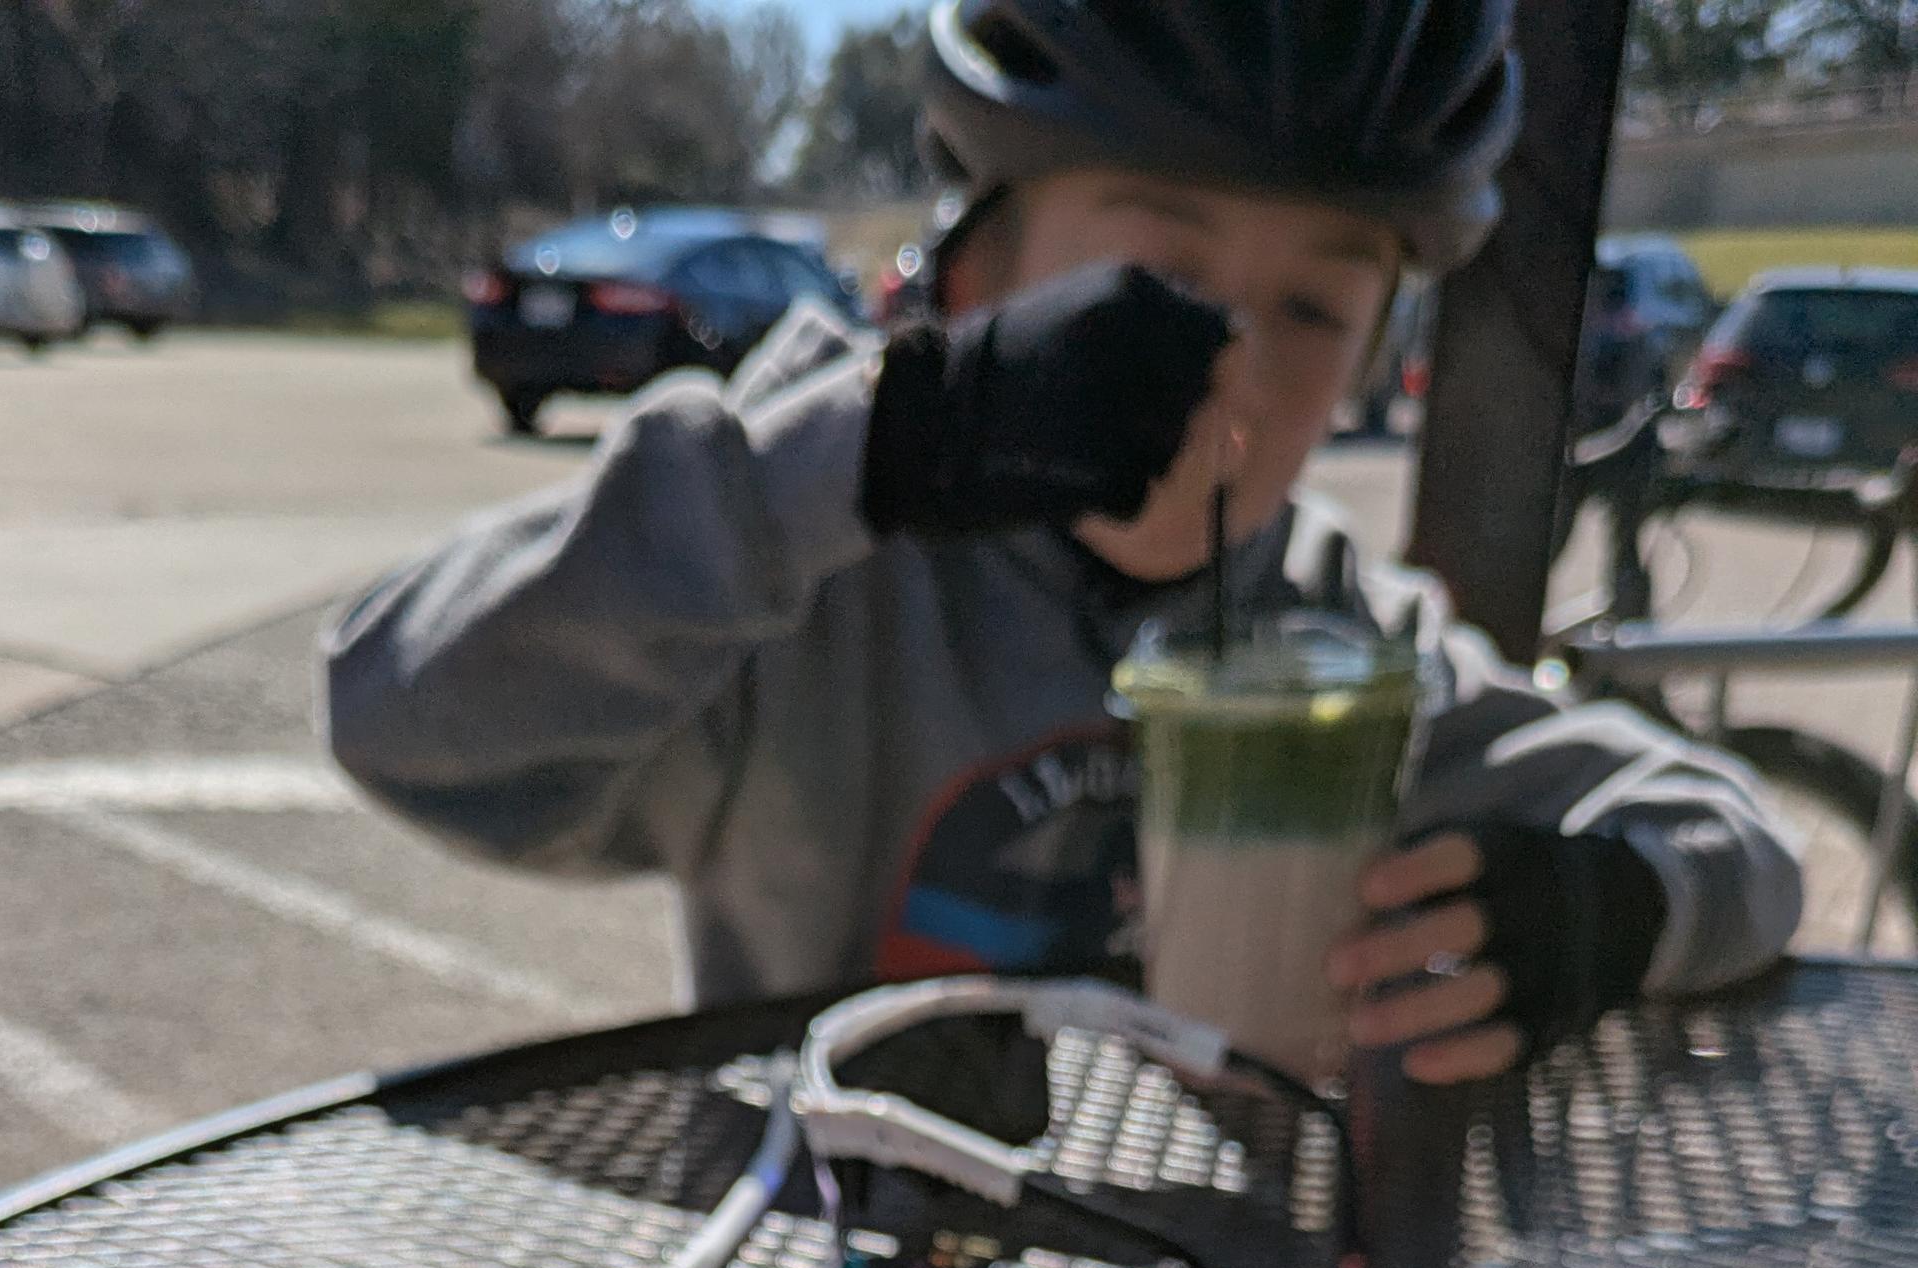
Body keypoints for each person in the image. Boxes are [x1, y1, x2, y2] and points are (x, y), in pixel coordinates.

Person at [325, 0, 1800, 1084]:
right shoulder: (817, 597)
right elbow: (409, 721)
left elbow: (1734, 841)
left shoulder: (1344, 644)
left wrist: (1610, 907)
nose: (1239, 366)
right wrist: (883, 442)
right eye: (1159, 282)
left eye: (1315, 312)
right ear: (976, 287)